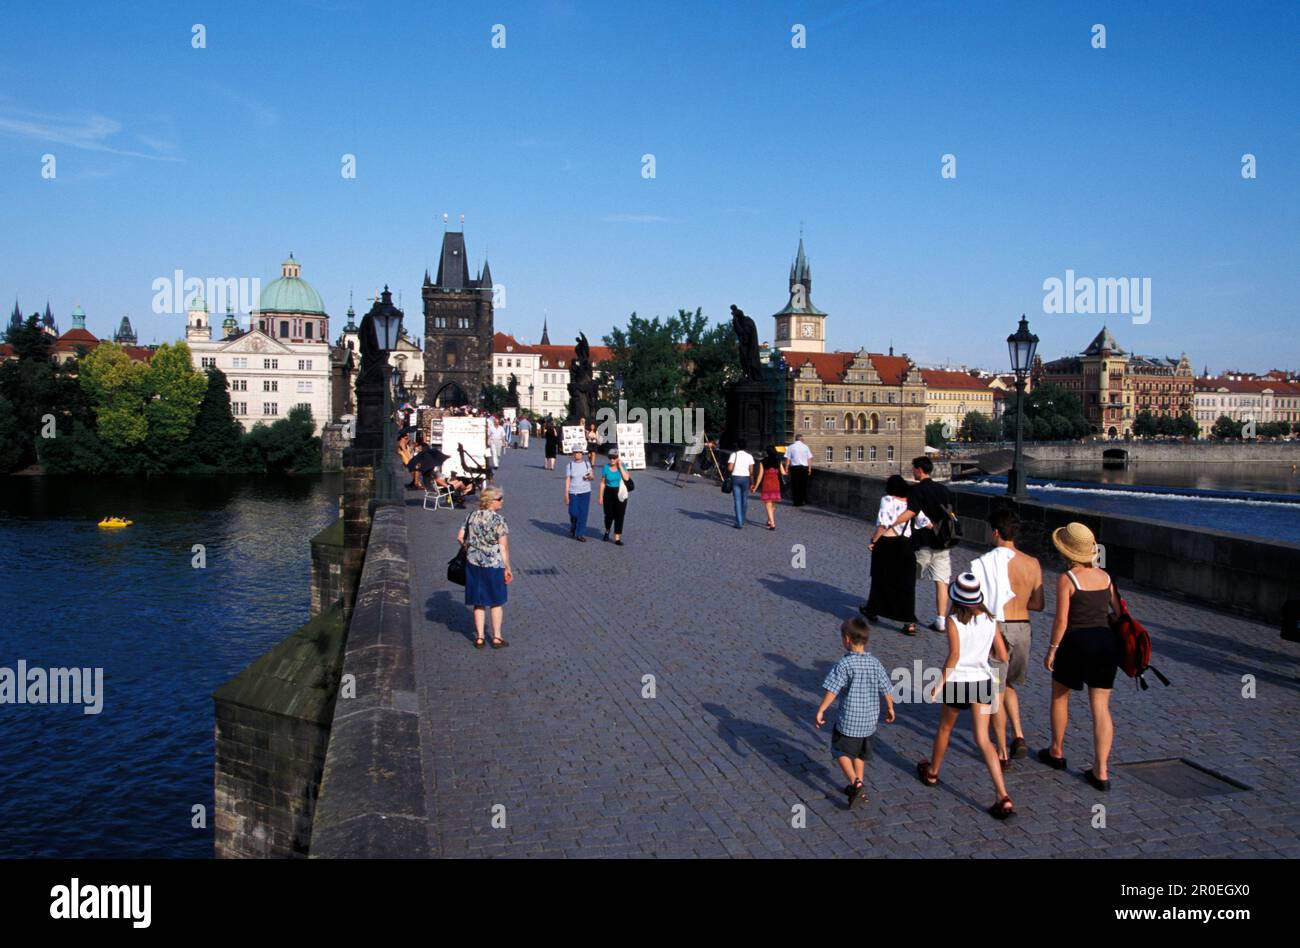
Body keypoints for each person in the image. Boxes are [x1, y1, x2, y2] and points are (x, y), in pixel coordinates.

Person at [916, 572, 1015, 819]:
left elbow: (954, 656)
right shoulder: (990, 619)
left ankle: (933, 772)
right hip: (982, 681)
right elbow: (1003, 656)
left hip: (959, 682)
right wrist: (985, 660)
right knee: (983, 738)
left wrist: (938, 685)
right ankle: (1002, 795)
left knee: (945, 729)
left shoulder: (953, 621)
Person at [1041, 522, 1120, 791]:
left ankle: (1057, 750)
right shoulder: (1106, 577)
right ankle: (1101, 770)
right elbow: (1118, 615)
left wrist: (1052, 649)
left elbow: (1061, 621)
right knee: (1101, 707)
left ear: (1067, 551)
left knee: (1060, 696)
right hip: (1106, 644)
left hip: (1076, 642)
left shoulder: (1067, 579)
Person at [971, 509, 1044, 765]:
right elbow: (1038, 603)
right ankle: (1020, 736)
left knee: (995, 691)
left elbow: (975, 603)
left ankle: (1001, 751)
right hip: (1023, 628)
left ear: (995, 532)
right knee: (1010, 684)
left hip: (997, 629)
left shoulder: (983, 562)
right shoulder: (1032, 563)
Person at [814, 617, 896, 810]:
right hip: (869, 721)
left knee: (838, 749)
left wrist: (822, 709)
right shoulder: (875, 663)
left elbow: (833, 689)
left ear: (847, 640)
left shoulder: (844, 664)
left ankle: (856, 784)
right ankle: (859, 783)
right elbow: (886, 687)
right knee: (860, 753)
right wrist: (890, 707)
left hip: (849, 719)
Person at [889, 456, 955, 632]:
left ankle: (908, 619)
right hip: (942, 543)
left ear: (919, 470)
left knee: (909, 579)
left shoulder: (917, 491)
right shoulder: (944, 489)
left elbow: (911, 512)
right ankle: (941, 620)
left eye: (913, 468)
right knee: (942, 581)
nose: (913, 471)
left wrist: (891, 523)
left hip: (921, 543)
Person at [862, 475, 920, 634]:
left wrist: (874, 540)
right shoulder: (911, 502)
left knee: (879, 578)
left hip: (887, 544)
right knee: (907, 584)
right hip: (906, 545)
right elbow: (923, 521)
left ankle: (872, 610)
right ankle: (909, 623)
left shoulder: (887, 500)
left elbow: (884, 523)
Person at [456, 486, 513, 649]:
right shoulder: (498, 520)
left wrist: (471, 548)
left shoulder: (471, 516)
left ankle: (480, 638)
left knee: (478, 601)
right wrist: (507, 567)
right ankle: (496, 637)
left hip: (473, 563)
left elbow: (460, 537)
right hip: (493, 564)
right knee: (496, 601)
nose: (502, 501)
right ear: (492, 501)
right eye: (500, 499)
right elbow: (503, 547)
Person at [597, 447, 631, 544]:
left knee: (620, 515)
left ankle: (617, 537)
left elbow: (627, 478)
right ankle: (607, 530)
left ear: (617, 458)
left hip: (620, 492)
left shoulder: (622, 466)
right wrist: (600, 496)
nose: (612, 460)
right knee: (608, 515)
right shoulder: (606, 468)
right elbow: (602, 482)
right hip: (608, 492)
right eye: (610, 457)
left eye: (614, 458)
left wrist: (620, 466)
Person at [754, 445, 788, 530]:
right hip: (776, 483)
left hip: (767, 483)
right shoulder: (778, 460)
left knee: (768, 504)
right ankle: (769, 521)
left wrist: (755, 486)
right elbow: (783, 473)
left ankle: (772, 523)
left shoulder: (763, 461)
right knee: (772, 505)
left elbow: (760, 475)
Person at [564, 447, 595, 541]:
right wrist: (566, 493)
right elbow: (568, 479)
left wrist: (589, 477)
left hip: (585, 491)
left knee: (583, 513)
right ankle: (574, 525)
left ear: (582, 454)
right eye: (576, 452)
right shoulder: (569, 465)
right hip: (573, 492)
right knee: (573, 512)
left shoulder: (587, 464)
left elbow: (592, 477)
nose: (578, 454)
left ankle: (580, 534)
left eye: (579, 452)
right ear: (573, 454)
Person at [726, 439, 756, 529]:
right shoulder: (749, 456)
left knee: (737, 500)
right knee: (744, 499)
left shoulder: (734, 455)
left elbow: (730, 468)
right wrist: (752, 482)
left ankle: (739, 522)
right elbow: (751, 471)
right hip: (746, 478)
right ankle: (743, 519)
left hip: (735, 478)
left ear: (737, 446)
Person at [786, 433, 813, 506]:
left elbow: (788, 459)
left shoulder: (791, 447)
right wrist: (809, 468)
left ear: (795, 439)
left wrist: (786, 468)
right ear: (801, 439)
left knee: (795, 485)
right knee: (803, 485)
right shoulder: (805, 447)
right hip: (804, 468)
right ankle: (802, 501)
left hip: (794, 468)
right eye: (803, 439)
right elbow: (809, 459)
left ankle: (796, 502)